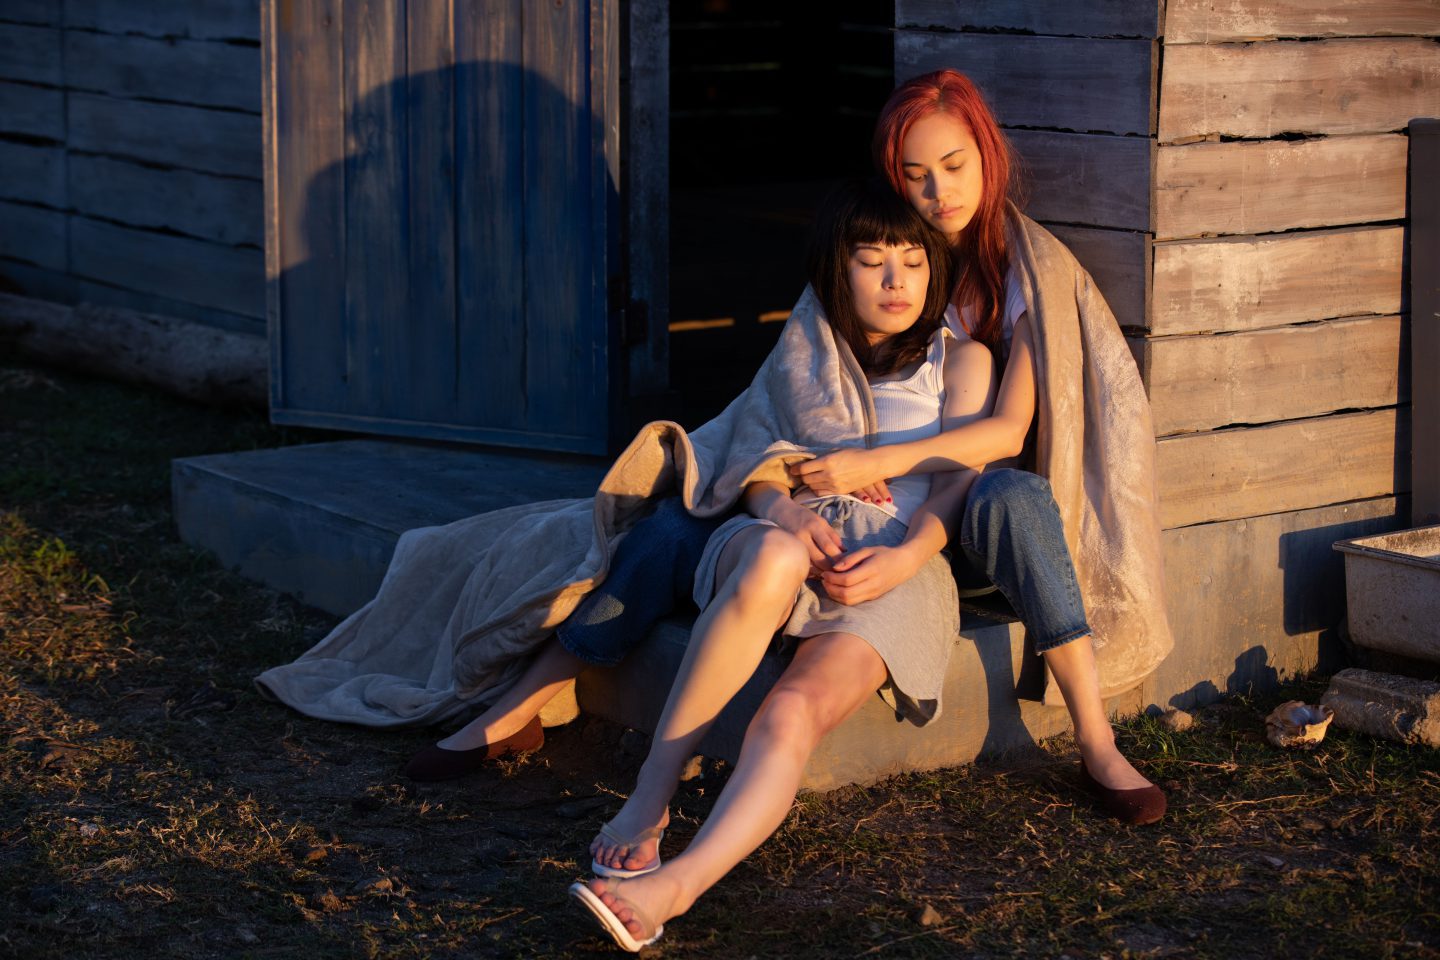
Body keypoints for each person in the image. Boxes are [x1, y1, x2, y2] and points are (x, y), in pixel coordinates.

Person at [570, 178, 997, 951]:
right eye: (872, 260)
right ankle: (650, 797)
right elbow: (753, 454)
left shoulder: (960, 361)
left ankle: (674, 887)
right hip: (785, 530)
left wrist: (905, 559)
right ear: (836, 267)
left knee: (792, 711)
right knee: (772, 554)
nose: (896, 280)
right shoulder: (806, 349)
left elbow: (958, 484)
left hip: (894, 555)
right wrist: (786, 510)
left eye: (912, 261)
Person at [790, 68, 1167, 819]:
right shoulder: (890, 254)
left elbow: (1007, 430)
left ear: (987, 154)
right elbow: (811, 374)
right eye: (916, 175)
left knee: (1010, 491)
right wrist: (841, 459)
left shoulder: (1025, 274)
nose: (940, 192)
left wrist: (879, 460)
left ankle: (1094, 739)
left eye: (955, 165)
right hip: (876, 509)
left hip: (977, 532)